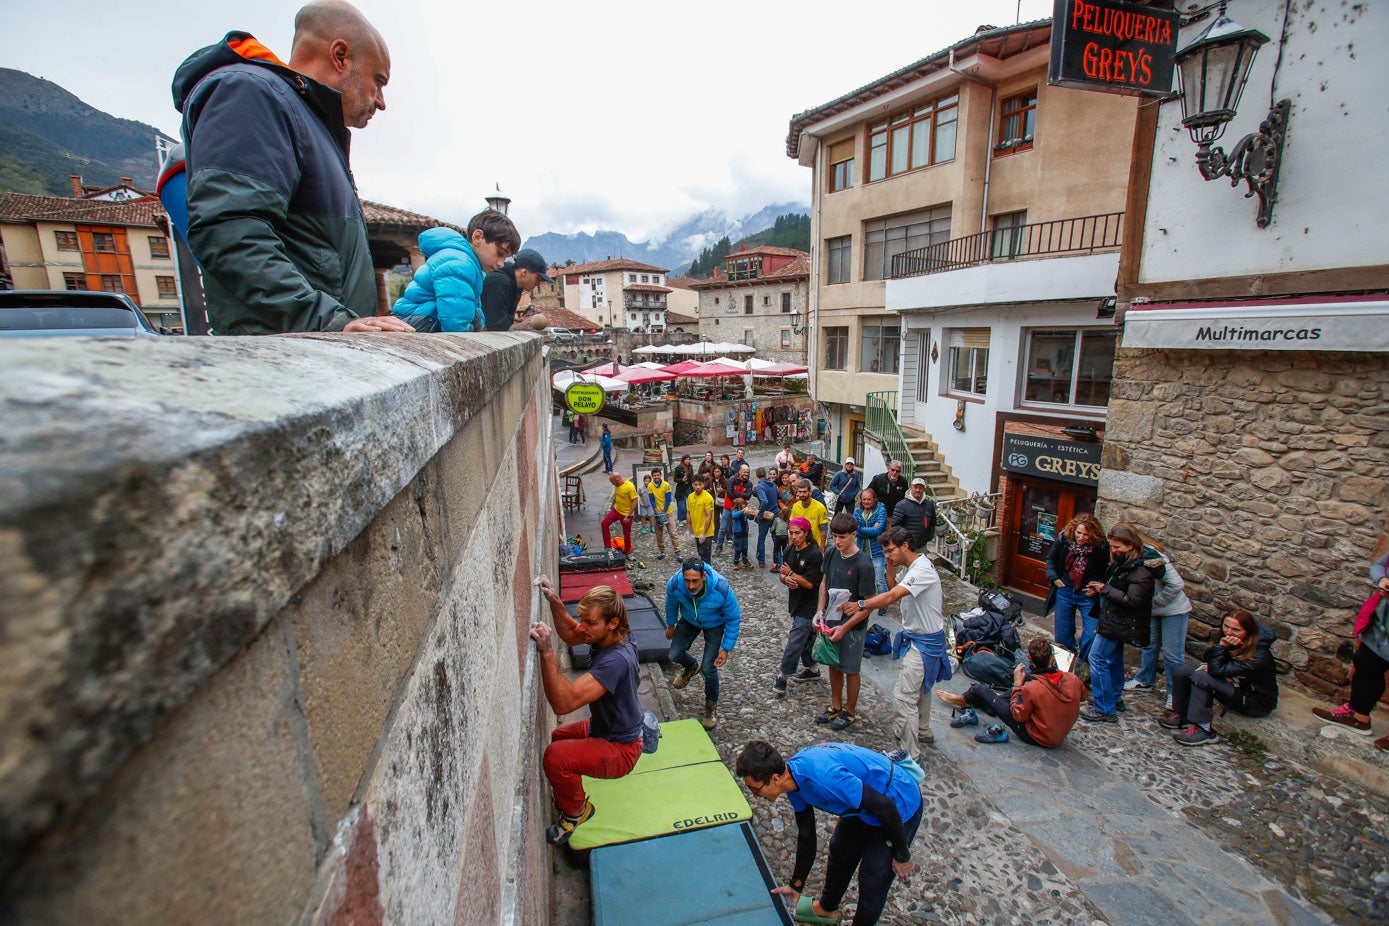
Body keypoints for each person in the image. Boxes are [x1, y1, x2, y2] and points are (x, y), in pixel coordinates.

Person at [174, 1, 415, 335]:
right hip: (291, 361)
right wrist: (328, 320)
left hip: (320, 355)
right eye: (378, 82)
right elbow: (230, 230)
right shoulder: (252, 93)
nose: (381, 101)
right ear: (340, 56)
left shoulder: (308, 122)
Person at [736, 740, 920, 926]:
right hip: (863, 803)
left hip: (898, 802)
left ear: (774, 779)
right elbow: (806, 836)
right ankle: (826, 909)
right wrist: (796, 885)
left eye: (755, 789)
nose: (755, 796)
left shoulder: (823, 778)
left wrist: (902, 855)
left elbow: (885, 807)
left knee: (872, 876)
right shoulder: (793, 783)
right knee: (840, 849)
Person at [531, 579, 642, 846]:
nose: (583, 627)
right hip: (604, 728)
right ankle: (571, 793)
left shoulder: (615, 661)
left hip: (621, 748)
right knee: (559, 736)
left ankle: (575, 813)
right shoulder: (612, 632)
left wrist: (547, 652)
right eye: (582, 619)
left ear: (612, 623)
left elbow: (563, 703)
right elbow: (571, 634)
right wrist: (556, 603)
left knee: (556, 757)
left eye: (589, 623)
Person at [851, 527, 947, 760]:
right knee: (922, 690)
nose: (887, 555)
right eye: (884, 552)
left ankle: (909, 754)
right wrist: (890, 563)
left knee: (904, 696)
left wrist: (862, 605)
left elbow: (893, 596)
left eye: (890, 551)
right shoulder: (912, 567)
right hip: (921, 639)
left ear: (905, 546)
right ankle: (922, 730)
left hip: (924, 642)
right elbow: (894, 585)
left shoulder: (922, 570)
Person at [936, 637, 1085, 747]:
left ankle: (963, 700)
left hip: (1038, 736)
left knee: (980, 689)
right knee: (1023, 684)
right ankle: (989, 704)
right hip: (1058, 731)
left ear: (1029, 659)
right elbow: (1082, 696)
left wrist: (1017, 685)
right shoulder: (1072, 678)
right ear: (1052, 660)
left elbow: (1017, 715)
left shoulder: (1032, 689)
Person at [390, 211, 521, 332]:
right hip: (417, 324)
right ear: (478, 237)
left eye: (505, 257)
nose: (501, 263)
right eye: (499, 253)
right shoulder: (460, 265)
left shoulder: (469, 266)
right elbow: (456, 324)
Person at [1081, 523, 1159, 724]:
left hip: (1120, 621)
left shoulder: (1142, 571)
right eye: (1112, 547)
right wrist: (1098, 590)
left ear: (1131, 546)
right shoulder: (1124, 563)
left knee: (1096, 657)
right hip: (1113, 617)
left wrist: (1104, 589)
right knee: (1113, 659)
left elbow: (1133, 600)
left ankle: (1104, 708)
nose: (1113, 551)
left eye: (1117, 548)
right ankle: (1114, 698)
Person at [1163, 610, 1278, 746]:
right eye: (1226, 626)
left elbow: (1216, 670)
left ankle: (1204, 729)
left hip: (1253, 701)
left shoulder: (1259, 655)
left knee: (1201, 676)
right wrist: (1219, 654)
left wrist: (1222, 648)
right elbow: (1208, 660)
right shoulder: (1230, 639)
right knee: (1181, 670)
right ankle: (1183, 715)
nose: (1229, 632)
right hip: (1234, 685)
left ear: (1248, 631)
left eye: (1236, 629)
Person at [1312, 549, 1389, 751]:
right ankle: (1358, 717)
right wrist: (1382, 581)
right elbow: (1378, 565)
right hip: (1382, 625)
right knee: (1366, 664)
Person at [813, 514, 878, 732]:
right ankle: (835, 705)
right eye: (834, 537)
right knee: (833, 665)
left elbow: (870, 604)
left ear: (853, 534)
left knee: (850, 669)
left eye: (842, 537)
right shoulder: (831, 552)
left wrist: (846, 627)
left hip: (853, 626)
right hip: (831, 619)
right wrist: (819, 611)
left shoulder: (863, 564)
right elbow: (824, 582)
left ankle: (850, 712)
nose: (837, 542)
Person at [664, 560, 742, 730]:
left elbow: (734, 617)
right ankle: (691, 666)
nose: (690, 586)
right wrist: (670, 624)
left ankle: (710, 706)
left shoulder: (721, 588)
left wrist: (726, 648)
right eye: (687, 581)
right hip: (690, 619)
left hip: (714, 624)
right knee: (674, 654)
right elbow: (671, 603)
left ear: (704, 576)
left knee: (708, 667)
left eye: (695, 581)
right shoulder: (675, 584)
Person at [1124, 543, 1192, 708]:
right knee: (1149, 644)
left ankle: (1175, 694)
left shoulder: (1154, 559)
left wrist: (1155, 602)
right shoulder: (1126, 559)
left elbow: (1176, 585)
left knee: (1173, 655)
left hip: (1174, 610)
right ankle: (1145, 679)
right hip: (1152, 610)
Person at [1044, 514, 1109, 659]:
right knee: (1062, 634)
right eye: (1079, 533)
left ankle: (1083, 662)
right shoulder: (1064, 540)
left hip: (1087, 594)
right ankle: (1068, 661)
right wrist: (1054, 578)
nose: (1081, 537)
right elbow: (1050, 560)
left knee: (1092, 634)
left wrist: (1096, 588)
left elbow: (1105, 571)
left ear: (1093, 534)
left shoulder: (1101, 547)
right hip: (1065, 591)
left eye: (1086, 534)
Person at [773, 517, 825, 696]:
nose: (794, 536)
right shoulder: (789, 550)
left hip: (811, 604)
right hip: (796, 601)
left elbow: (810, 583)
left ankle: (783, 675)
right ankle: (812, 668)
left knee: (795, 639)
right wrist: (785, 578)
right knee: (806, 639)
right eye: (792, 533)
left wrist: (791, 574)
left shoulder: (814, 555)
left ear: (806, 533)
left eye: (798, 533)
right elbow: (782, 573)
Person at [480, 248, 552, 332]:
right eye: (537, 278)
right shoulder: (499, 283)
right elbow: (494, 325)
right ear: (524, 273)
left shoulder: (515, 287)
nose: (538, 284)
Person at [868, 462, 908, 585]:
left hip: (893, 517)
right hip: (879, 514)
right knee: (877, 538)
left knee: (890, 540)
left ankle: (887, 563)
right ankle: (875, 561)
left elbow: (905, 498)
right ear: (888, 469)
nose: (895, 473)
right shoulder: (879, 479)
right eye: (893, 470)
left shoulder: (903, 482)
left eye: (897, 471)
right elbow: (869, 491)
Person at [853, 488, 889, 595]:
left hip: (877, 552)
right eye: (864, 499)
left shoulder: (881, 510)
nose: (866, 502)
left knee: (879, 582)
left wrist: (860, 528)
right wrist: (869, 530)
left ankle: (883, 605)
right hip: (862, 553)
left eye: (869, 499)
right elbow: (854, 531)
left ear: (874, 499)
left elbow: (878, 530)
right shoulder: (857, 511)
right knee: (862, 581)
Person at [890, 478, 936, 552]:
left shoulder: (929, 505)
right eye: (915, 487)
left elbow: (933, 522)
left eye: (920, 487)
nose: (918, 490)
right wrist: (903, 541)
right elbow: (895, 526)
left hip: (922, 545)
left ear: (924, 489)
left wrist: (929, 537)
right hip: (906, 547)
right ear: (911, 488)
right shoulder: (901, 505)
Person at [718, 466, 753, 556]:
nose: (746, 474)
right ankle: (719, 547)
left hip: (740, 509)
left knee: (737, 528)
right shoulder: (732, 479)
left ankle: (736, 548)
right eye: (744, 472)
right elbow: (729, 493)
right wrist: (740, 499)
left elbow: (748, 496)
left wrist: (736, 492)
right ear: (740, 471)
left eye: (747, 472)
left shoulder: (749, 483)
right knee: (722, 528)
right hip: (728, 507)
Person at [600, 472, 638, 556]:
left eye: (612, 482)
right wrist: (612, 504)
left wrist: (628, 515)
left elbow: (635, 501)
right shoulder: (617, 485)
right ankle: (608, 547)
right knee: (604, 524)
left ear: (617, 480)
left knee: (626, 533)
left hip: (626, 514)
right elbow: (617, 495)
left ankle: (627, 552)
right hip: (616, 510)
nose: (612, 484)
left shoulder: (629, 487)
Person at [648, 468, 681, 560]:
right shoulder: (650, 486)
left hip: (668, 512)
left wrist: (664, 510)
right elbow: (651, 499)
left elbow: (668, 498)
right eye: (654, 475)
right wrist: (655, 509)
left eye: (658, 475)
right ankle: (662, 551)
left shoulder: (666, 485)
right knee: (659, 533)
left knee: (673, 532)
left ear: (660, 475)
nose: (656, 477)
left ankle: (678, 551)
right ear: (652, 476)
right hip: (656, 513)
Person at [753, 466, 781, 569]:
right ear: (766, 475)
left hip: (766, 516)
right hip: (776, 514)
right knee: (776, 539)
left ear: (757, 476)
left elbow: (764, 501)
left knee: (761, 538)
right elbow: (780, 496)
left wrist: (760, 514)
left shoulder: (760, 486)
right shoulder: (773, 484)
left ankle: (761, 561)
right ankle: (778, 562)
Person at [790, 478, 829, 549]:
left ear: (810, 492)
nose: (802, 494)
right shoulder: (795, 506)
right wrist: (790, 546)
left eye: (804, 492)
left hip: (816, 544)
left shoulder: (820, 507)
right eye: (800, 492)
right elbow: (792, 526)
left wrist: (822, 546)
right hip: (801, 543)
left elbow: (824, 529)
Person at [686, 474, 717, 564]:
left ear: (703, 484)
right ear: (692, 485)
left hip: (707, 532)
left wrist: (704, 533)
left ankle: (707, 575)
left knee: (705, 557)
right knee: (700, 553)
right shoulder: (690, 497)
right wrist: (688, 529)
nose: (697, 487)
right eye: (695, 484)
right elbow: (688, 512)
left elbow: (709, 516)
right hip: (696, 531)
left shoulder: (708, 498)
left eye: (700, 484)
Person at [729, 498, 753, 569]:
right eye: (742, 504)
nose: (744, 505)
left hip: (744, 532)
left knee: (745, 548)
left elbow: (750, 518)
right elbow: (734, 516)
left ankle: (745, 561)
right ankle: (736, 562)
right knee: (738, 548)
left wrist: (751, 513)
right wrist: (742, 511)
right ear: (738, 505)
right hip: (737, 532)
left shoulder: (745, 512)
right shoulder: (735, 511)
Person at [672, 454, 694, 525]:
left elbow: (692, 477)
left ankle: (691, 518)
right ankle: (681, 519)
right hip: (681, 488)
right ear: (683, 460)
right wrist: (681, 479)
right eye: (686, 459)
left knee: (692, 503)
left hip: (689, 487)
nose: (688, 461)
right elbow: (675, 479)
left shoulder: (690, 467)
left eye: (688, 459)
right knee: (681, 504)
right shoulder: (678, 468)